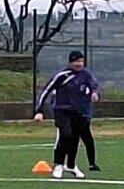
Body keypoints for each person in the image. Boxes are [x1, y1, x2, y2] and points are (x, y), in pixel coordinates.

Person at [34, 51, 99, 179]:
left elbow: (93, 85)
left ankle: (71, 165)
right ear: (70, 62)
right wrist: (39, 111)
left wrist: (95, 93)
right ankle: (58, 164)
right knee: (65, 134)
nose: (79, 64)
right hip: (61, 110)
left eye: (81, 61)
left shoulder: (86, 74)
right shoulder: (62, 75)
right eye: (77, 61)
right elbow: (46, 91)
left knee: (75, 138)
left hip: (78, 111)